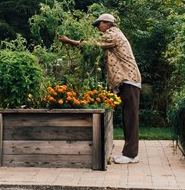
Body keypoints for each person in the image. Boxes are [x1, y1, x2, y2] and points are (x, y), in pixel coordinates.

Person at [59, 13, 142, 164]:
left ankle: (131, 155)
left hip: (129, 79)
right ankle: (129, 153)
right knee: (127, 116)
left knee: (130, 117)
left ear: (108, 23)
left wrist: (69, 41)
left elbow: (93, 44)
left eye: (99, 24)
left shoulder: (113, 34)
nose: (98, 27)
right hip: (126, 79)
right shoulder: (113, 34)